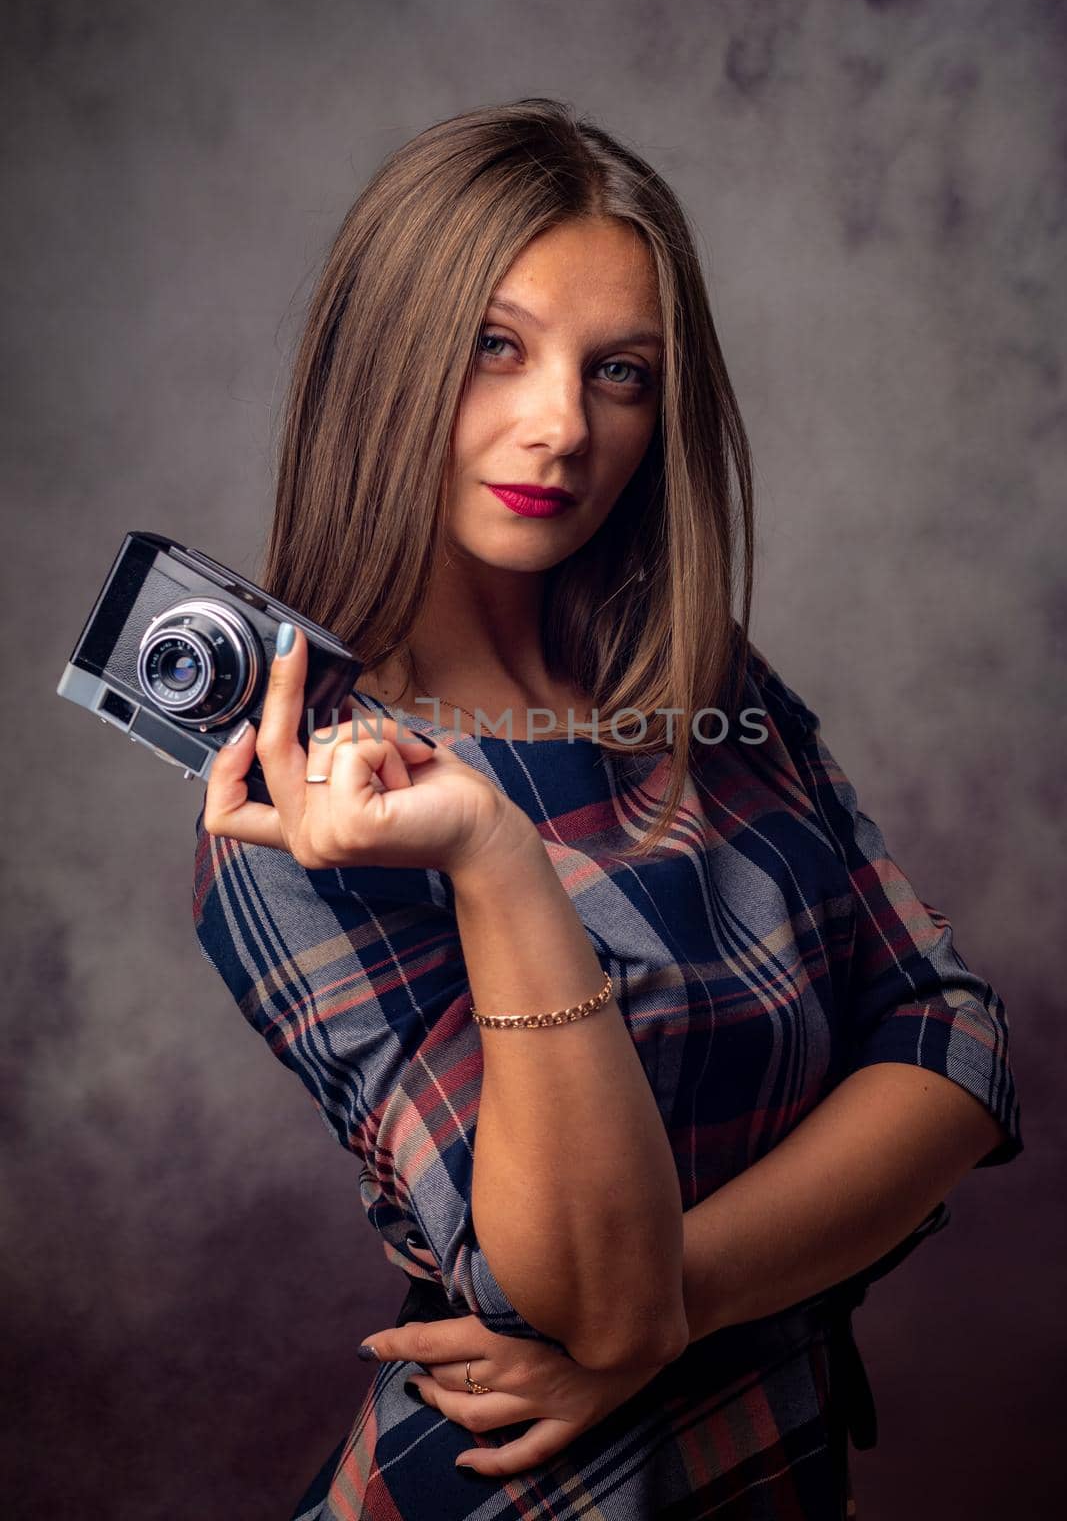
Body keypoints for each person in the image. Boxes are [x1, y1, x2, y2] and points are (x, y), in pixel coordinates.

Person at [191, 98, 1022, 1521]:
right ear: (381, 362)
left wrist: (669, 1307)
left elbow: (955, 1044)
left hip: (770, 1459)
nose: (562, 424)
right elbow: (568, 1289)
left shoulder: (696, 681)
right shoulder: (315, 811)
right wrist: (491, 855)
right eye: (492, 347)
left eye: (620, 371)